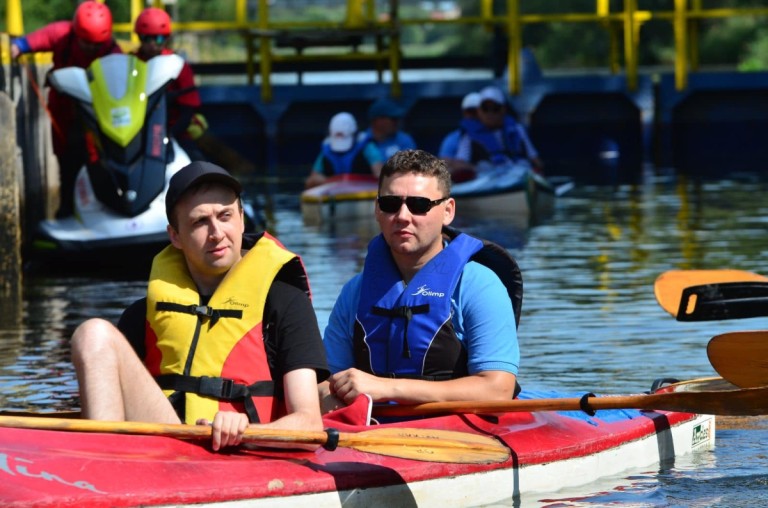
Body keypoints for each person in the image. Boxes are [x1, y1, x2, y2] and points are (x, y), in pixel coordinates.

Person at [70, 161, 329, 451]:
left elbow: (309, 425)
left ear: (242, 219)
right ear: (175, 236)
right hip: (166, 442)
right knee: (93, 333)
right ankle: (101, 460)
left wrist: (245, 431)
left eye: (225, 216)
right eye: (199, 222)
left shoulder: (286, 304)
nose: (216, 232)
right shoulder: (141, 315)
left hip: (242, 454)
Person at [320, 149, 521, 410]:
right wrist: (326, 398)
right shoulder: (354, 292)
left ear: (448, 211)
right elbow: (324, 384)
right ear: (377, 210)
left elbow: (498, 390)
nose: (403, 216)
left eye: (419, 205)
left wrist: (387, 388)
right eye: (391, 204)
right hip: (372, 428)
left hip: (455, 429)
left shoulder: (480, 286)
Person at [10, 1, 122, 218]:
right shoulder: (62, 34)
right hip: (65, 115)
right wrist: (17, 47)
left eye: (96, 44)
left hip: (99, 118)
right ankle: (67, 210)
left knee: (99, 163)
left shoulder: (113, 52)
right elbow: (28, 42)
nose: (91, 49)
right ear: (76, 33)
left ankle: (105, 208)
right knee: (68, 163)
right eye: (86, 43)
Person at [133, 7, 204, 161]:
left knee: (197, 167)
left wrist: (169, 136)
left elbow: (187, 111)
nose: (153, 44)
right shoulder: (130, 63)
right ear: (139, 37)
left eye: (159, 39)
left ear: (166, 39)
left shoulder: (178, 65)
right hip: (134, 133)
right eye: (147, 38)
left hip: (174, 132)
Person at [449, 86, 543, 176]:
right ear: (479, 111)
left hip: (516, 177)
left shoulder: (517, 130)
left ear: (503, 110)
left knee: (523, 164)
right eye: (485, 109)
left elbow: (535, 159)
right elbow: (460, 163)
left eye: (495, 109)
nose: (490, 113)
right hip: (487, 180)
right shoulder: (469, 136)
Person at [305, 112, 385, 189]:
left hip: (363, 192)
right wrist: (324, 180)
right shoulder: (326, 150)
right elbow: (311, 181)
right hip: (334, 193)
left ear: (354, 133)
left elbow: (380, 175)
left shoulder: (367, 148)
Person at [438, 92, 483, 181]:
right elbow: (442, 166)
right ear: (464, 113)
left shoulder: (496, 134)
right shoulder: (452, 139)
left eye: (477, 112)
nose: (474, 115)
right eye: (470, 111)